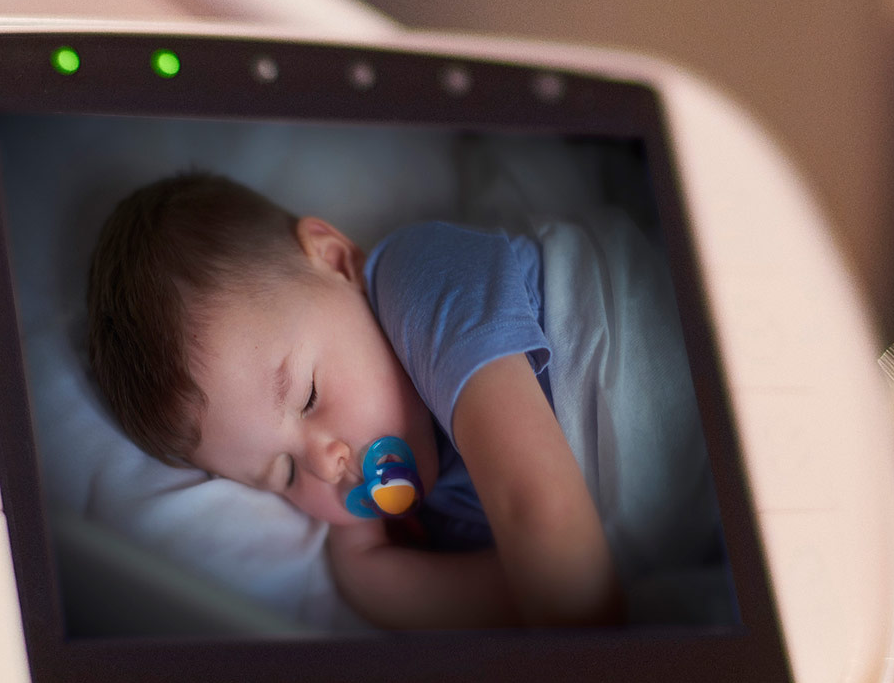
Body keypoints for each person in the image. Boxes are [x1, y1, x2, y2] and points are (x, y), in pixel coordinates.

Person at [84, 171, 622, 630]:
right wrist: (369, 572)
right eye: (284, 474)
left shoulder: (422, 280)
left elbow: (544, 519)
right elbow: (532, 593)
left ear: (338, 261)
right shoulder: (441, 516)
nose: (325, 462)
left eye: (310, 395)